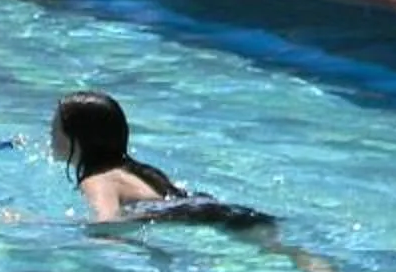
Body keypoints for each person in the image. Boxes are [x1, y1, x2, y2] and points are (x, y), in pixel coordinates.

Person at [47, 89, 274, 228]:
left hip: (218, 220)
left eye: (55, 128)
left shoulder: (97, 180)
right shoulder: (130, 171)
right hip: (234, 215)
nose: (50, 134)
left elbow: (107, 224)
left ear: (77, 138)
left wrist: (36, 223)